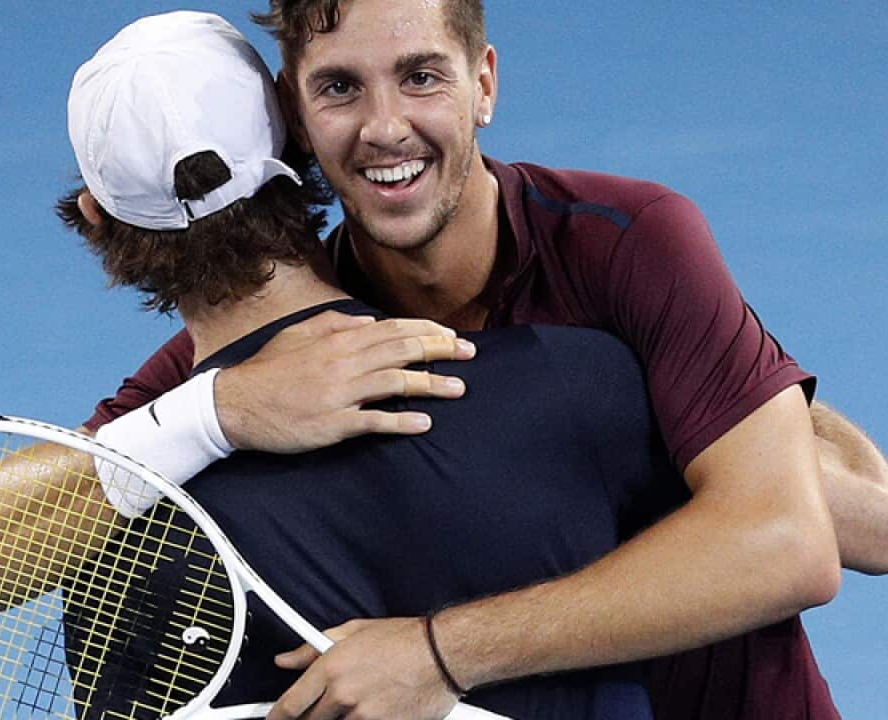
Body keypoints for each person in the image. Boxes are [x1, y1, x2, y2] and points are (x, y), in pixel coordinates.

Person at [82, 2, 888, 718]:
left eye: (421, 77)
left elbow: (861, 534)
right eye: (340, 88)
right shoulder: (276, 367)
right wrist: (219, 412)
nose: (384, 129)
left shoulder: (623, 246)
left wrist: (438, 653)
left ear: (483, 83)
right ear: (296, 122)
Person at [52, 11, 680, 718]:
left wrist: (203, 420)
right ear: (302, 134)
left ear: (95, 219)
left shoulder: (104, 547)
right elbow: (790, 527)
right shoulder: (591, 388)